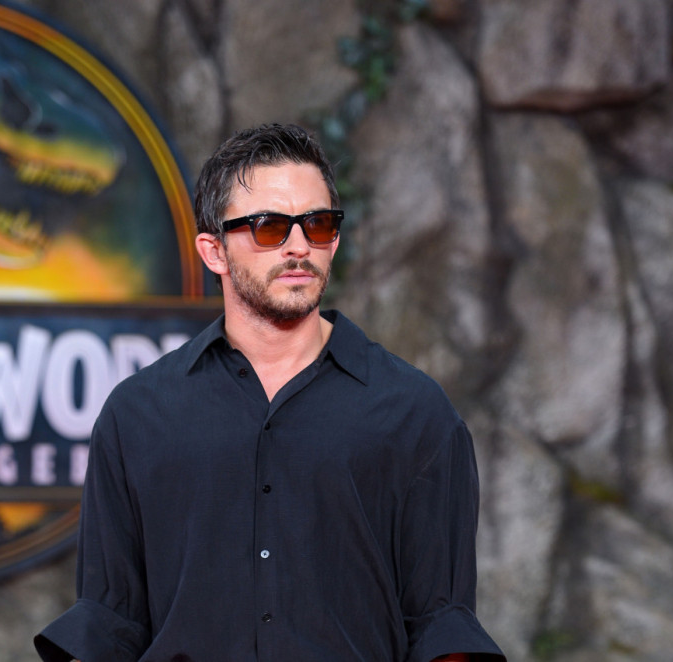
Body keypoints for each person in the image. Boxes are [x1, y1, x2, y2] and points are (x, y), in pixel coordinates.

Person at [34, 123, 506, 662]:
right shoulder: (138, 415)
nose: (300, 246)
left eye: (318, 224)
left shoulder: (414, 413)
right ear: (213, 251)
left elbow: (442, 630)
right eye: (268, 228)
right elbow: (109, 623)